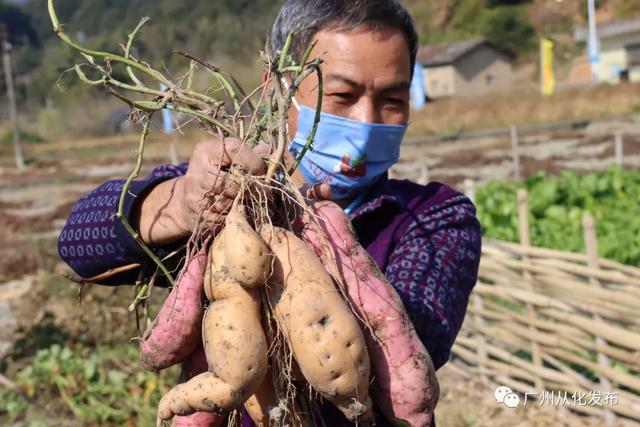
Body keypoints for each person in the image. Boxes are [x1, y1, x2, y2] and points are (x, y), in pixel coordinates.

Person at [57, 1, 481, 426]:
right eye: (342, 95)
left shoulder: (434, 217)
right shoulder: (217, 196)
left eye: (392, 99)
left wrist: (310, 231)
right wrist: (183, 205)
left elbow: (413, 355)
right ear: (278, 89)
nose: (366, 120)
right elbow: (78, 244)